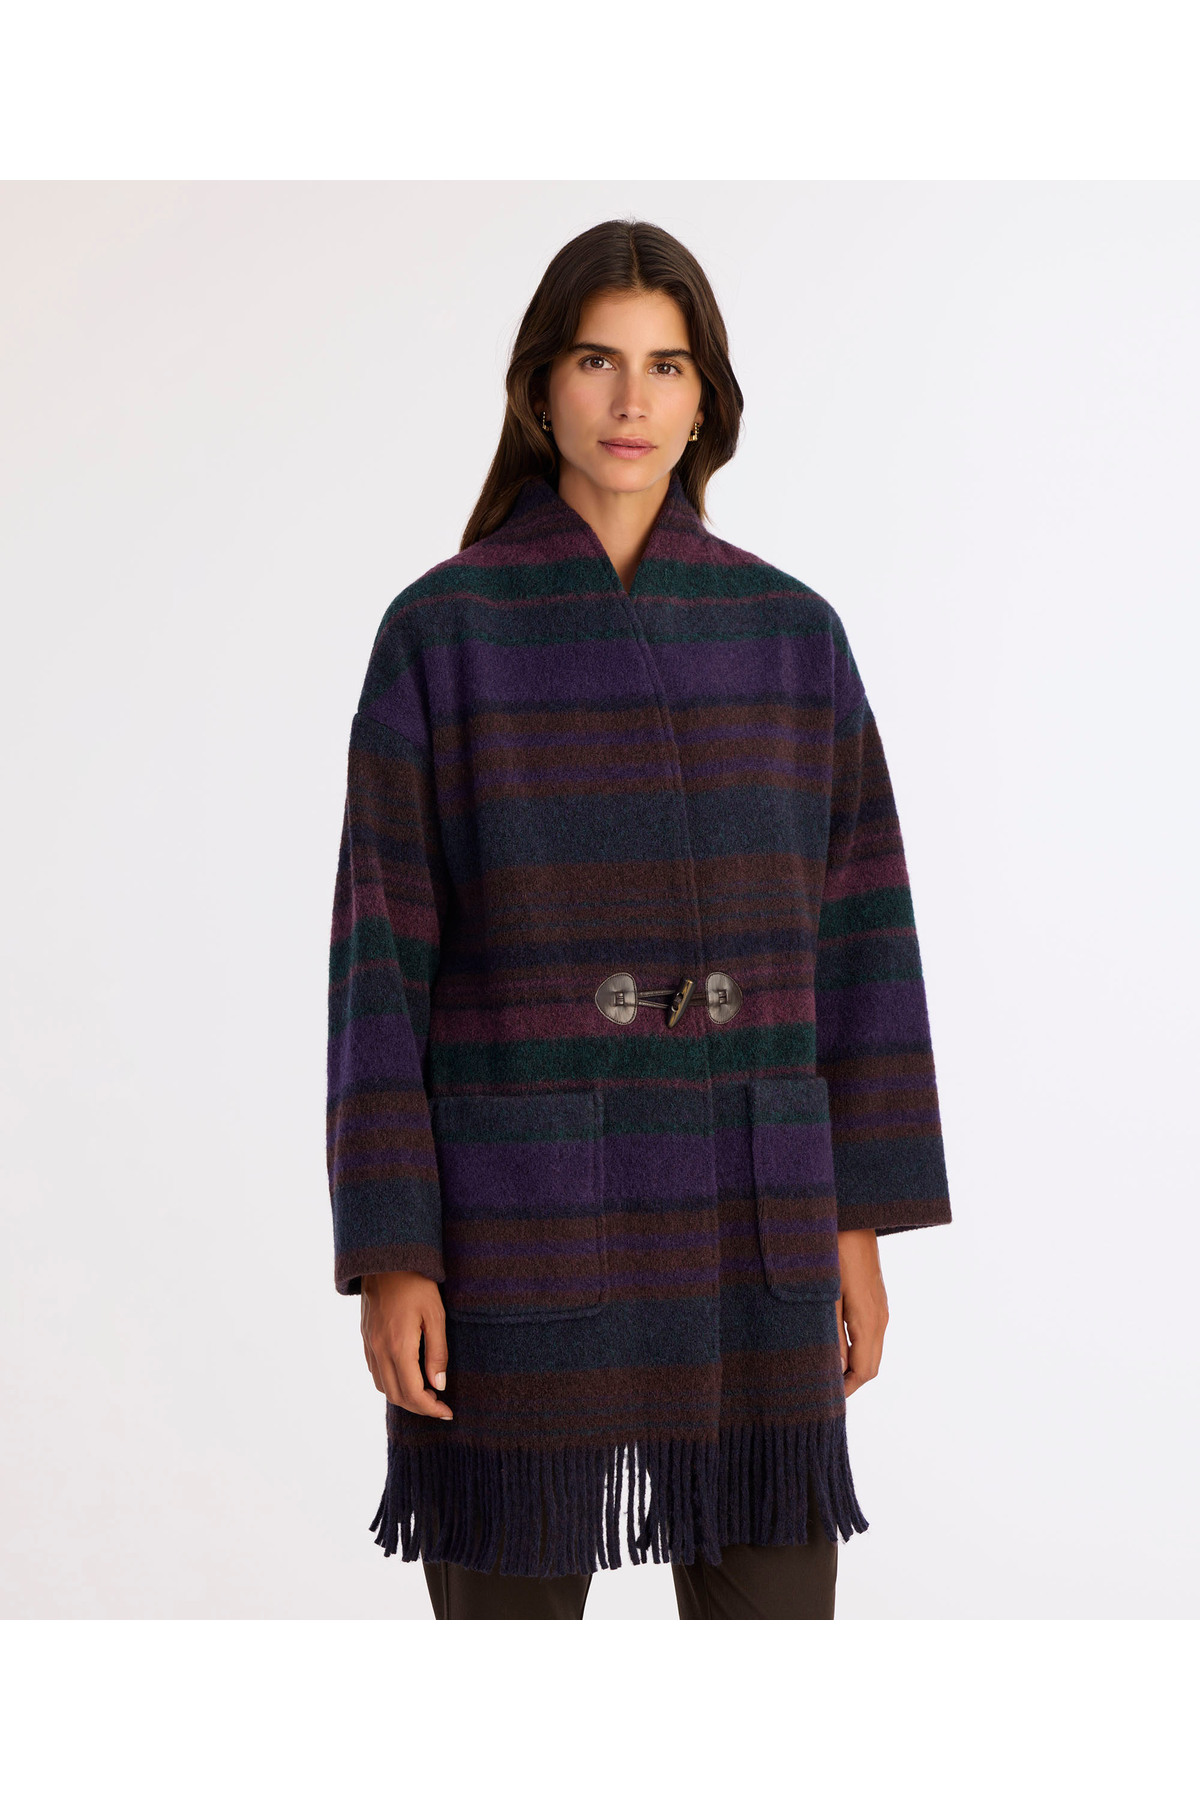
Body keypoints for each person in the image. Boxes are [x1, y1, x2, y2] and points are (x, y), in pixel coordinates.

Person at [326, 218, 952, 1619]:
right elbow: (379, 966)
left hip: (753, 1211)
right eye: (597, 360)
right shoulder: (443, 634)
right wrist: (393, 1248)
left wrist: (856, 1222)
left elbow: (864, 940)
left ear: (706, 399)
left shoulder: (792, 635)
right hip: (519, 1214)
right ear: (540, 387)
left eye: (666, 366)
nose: (631, 400)